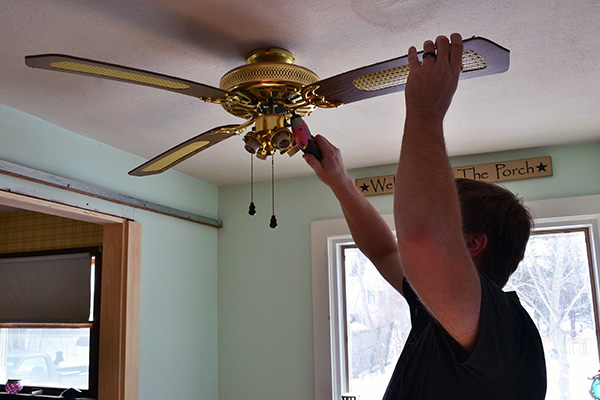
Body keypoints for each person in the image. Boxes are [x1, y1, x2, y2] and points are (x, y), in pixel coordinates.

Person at [303, 33, 546, 399]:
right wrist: (340, 183)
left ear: (471, 243)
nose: (435, 221)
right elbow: (387, 251)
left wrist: (425, 111)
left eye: (448, 218)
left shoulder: (501, 328)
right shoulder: (442, 311)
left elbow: (424, 238)